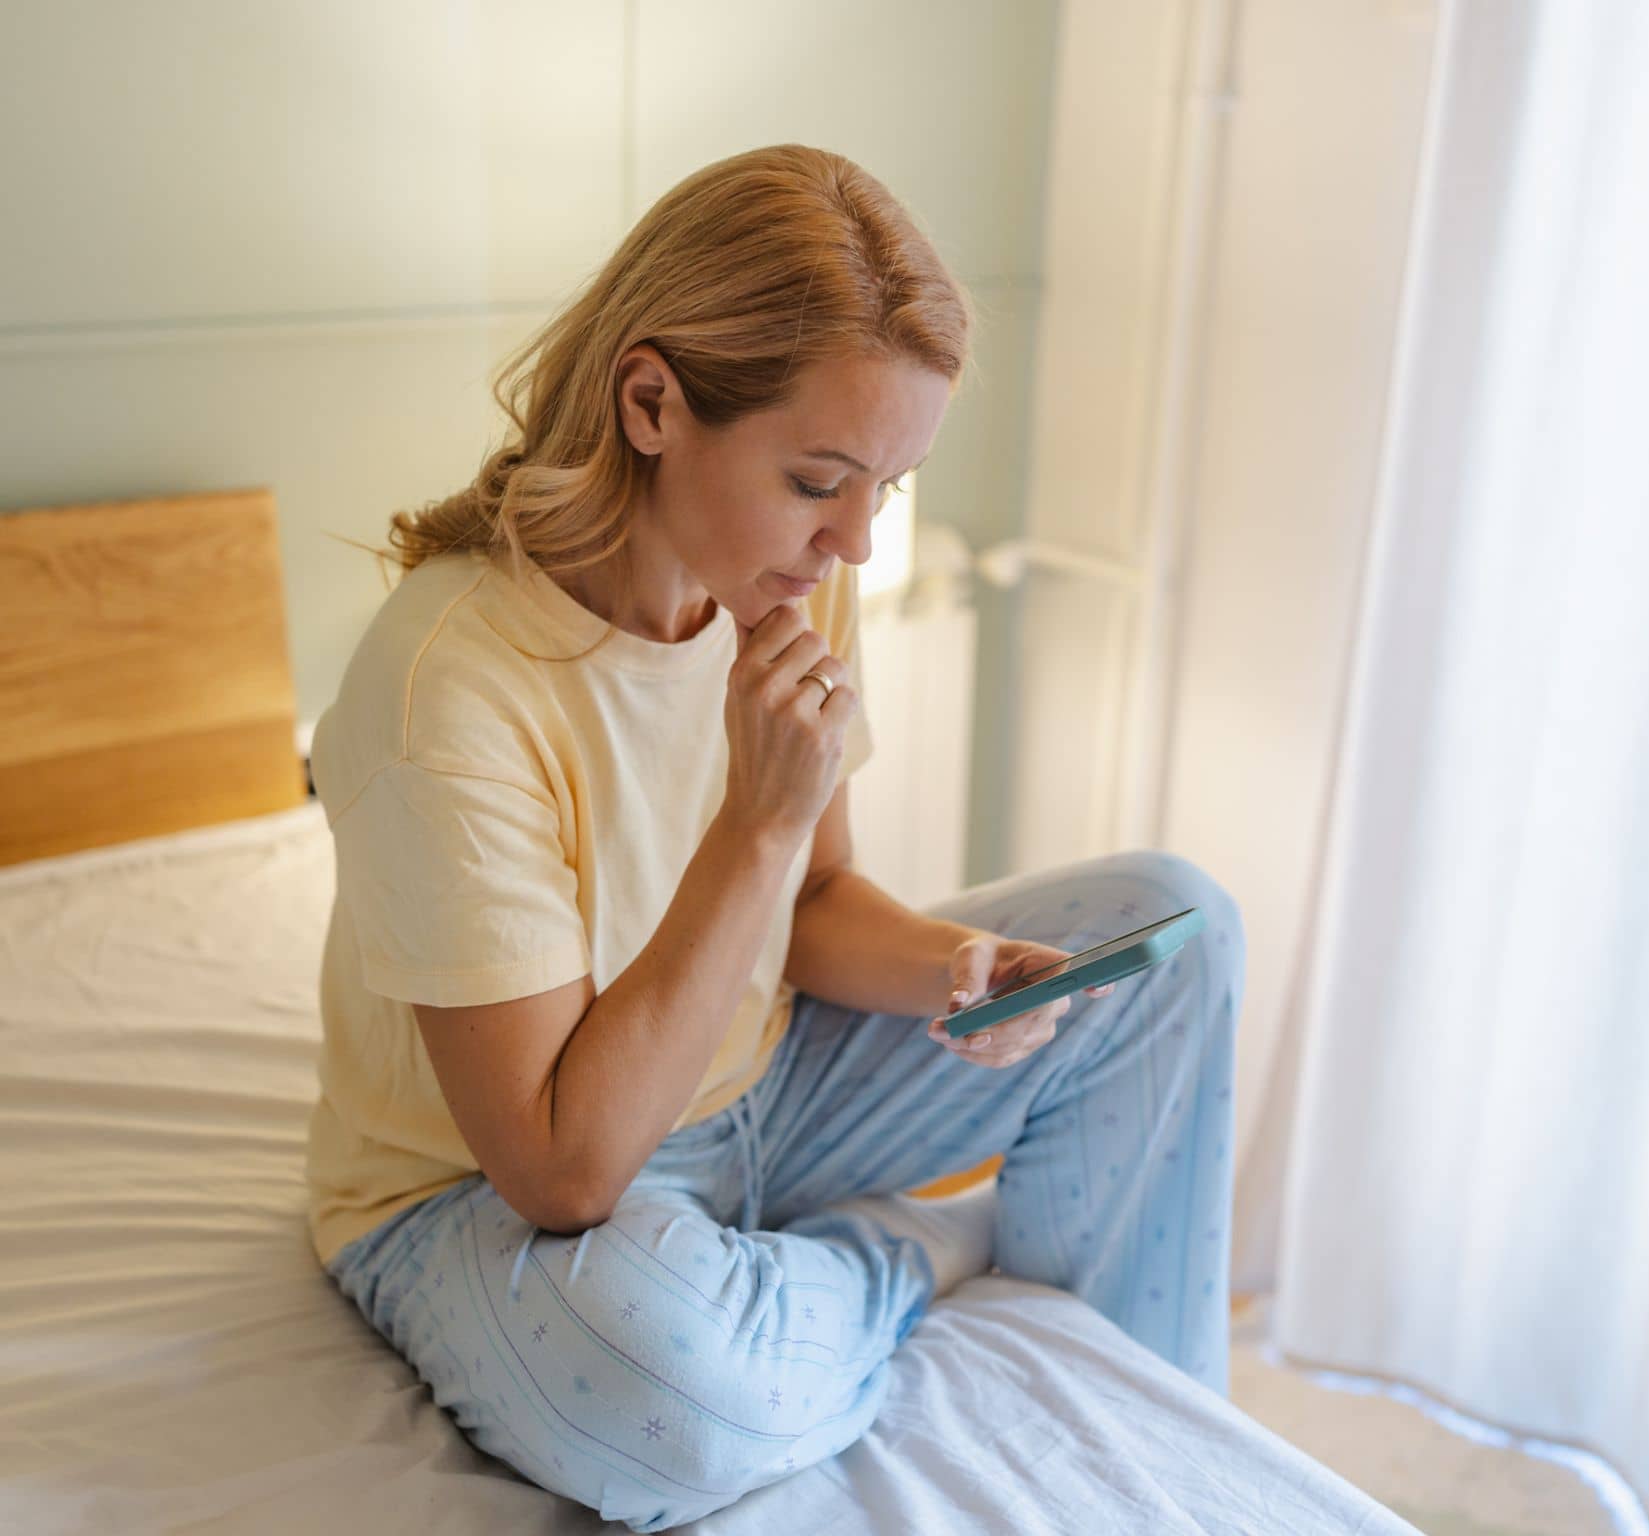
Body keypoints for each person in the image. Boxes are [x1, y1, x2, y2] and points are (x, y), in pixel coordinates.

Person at [305, 143, 1246, 1531]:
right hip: (482, 1190)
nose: (854, 542)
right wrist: (758, 818)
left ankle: (1151, 1453)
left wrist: (951, 966)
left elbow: (812, 905)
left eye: (888, 488)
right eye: (819, 480)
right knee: (674, 1393)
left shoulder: (783, 577)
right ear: (650, 404)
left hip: (765, 1090)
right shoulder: (446, 688)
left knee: (1175, 928)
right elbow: (563, 1170)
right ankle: (911, 1250)